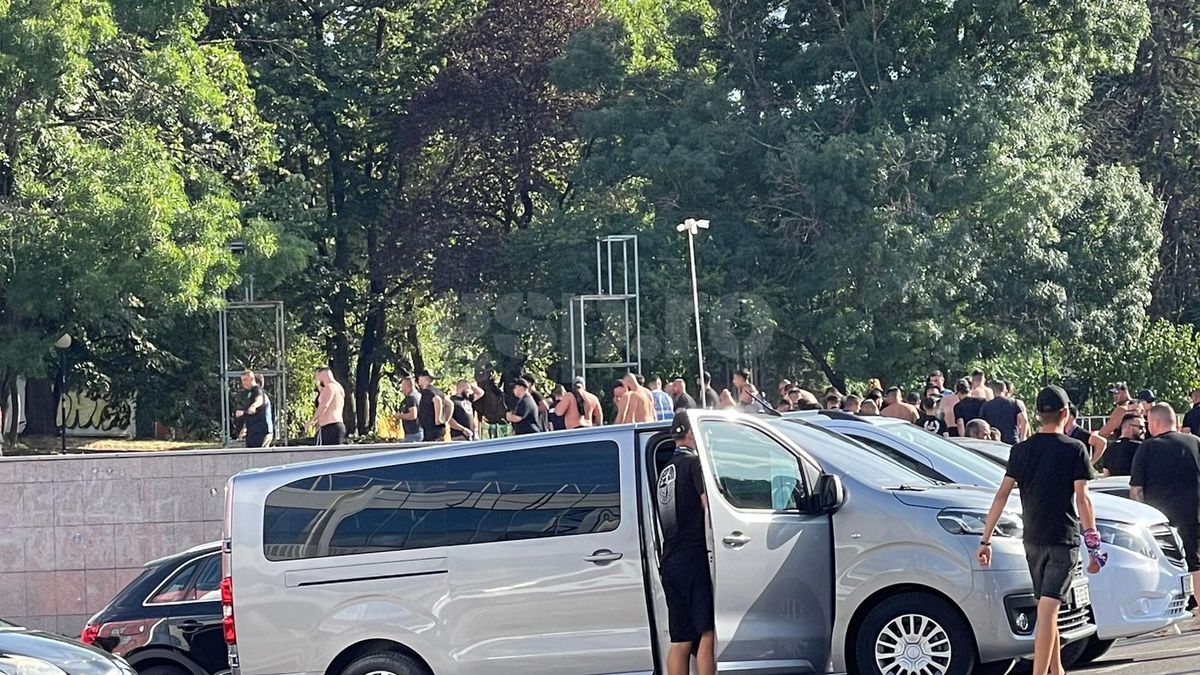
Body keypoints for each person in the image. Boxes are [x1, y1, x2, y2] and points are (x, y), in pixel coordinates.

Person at [977, 385, 1102, 675]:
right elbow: (1083, 499)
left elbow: (1002, 495)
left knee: (1047, 611)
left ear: (1037, 415)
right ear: (1066, 413)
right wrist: (1094, 544)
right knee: (1047, 612)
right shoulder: (1075, 449)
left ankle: (1056, 670)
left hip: (1032, 540)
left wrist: (986, 540)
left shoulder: (1021, 450)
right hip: (1063, 540)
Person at [655, 412, 716, 675]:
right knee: (708, 632)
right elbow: (708, 506)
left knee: (681, 639)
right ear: (691, 433)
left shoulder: (665, 471)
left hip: (670, 559)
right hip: (692, 556)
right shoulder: (694, 465)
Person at [1131, 403, 1200, 613]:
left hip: (1160, 521)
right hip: (1194, 514)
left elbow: (1136, 490)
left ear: (1156, 422)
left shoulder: (1148, 448)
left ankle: (1169, 613)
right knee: (1196, 562)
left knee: (1164, 567)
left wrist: (1138, 518)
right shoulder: (1196, 442)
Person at [308, 366, 346, 445]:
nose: (316, 380)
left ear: (322, 375)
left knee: (324, 455)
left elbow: (324, 405)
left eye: (317, 376)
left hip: (330, 427)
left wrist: (312, 420)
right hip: (336, 426)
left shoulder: (329, 387)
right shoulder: (339, 388)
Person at [980, 380, 1026, 444]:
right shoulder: (1014, 402)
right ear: (1005, 390)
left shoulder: (986, 406)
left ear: (992, 391)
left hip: (994, 440)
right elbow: (1024, 420)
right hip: (1012, 440)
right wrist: (1022, 439)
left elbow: (981, 423)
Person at [1099, 413, 1144, 477]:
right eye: (1141, 427)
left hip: (1114, 485)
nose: (1144, 431)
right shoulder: (1142, 447)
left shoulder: (1110, 448)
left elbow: (1106, 474)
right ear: (1129, 427)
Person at [236, 370, 271, 448]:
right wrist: (244, 428)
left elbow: (259, 400)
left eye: (245, 380)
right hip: (252, 431)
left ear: (252, 378)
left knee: (258, 455)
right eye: (242, 380)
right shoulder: (248, 393)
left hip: (260, 431)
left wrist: (254, 406)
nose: (243, 383)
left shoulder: (257, 389)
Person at [416, 370, 447, 442]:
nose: (418, 379)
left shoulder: (427, 391)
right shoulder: (438, 391)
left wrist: (438, 419)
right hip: (438, 430)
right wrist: (445, 418)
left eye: (420, 377)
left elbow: (437, 400)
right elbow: (449, 404)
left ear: (425, 378)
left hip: (432, 430)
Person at [395, 376, 423, 443]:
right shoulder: (419, 395)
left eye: (402, 386)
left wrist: (400, 416)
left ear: (406, 385)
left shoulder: (411, 398)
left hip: (413, 433)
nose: (401, 389)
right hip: (418, 431)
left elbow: (413, 415)